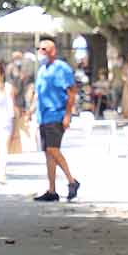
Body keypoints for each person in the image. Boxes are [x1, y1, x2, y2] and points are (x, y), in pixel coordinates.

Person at [32, 37, 80, 203]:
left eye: (44, 49)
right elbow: (38, 93)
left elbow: (72, 92)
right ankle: (52, 190)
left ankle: (72, 181)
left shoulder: (62, 68)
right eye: (39, 49)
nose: (41, 52)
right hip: (43, 116)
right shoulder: (41, 70)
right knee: (48, 153)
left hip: (56, 114)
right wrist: (31, 110)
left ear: (53, 51)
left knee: (53, 149)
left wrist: (67, 115)